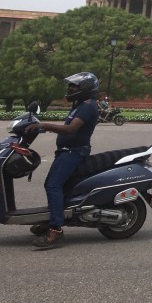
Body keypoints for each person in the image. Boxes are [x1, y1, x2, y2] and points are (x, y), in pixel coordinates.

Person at [26, 72, 101, 250]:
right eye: (70, 86)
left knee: (53, 185)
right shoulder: (80, 104)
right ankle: (52, 219)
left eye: (74, 86)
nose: (70, 89)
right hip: (67, 151)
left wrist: (44, 125)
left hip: (74, 152)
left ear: (85, 88)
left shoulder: (88, 106)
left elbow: (71, 129)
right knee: (56, 186)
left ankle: (56, 229)